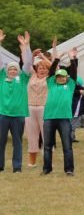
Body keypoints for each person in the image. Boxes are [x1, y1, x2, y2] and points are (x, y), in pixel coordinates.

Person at [42, 43, 79, 176]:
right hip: (49, 118)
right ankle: (47, 169)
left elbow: (74, 73)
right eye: (58, 76)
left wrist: (72, 58)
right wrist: (56, 59)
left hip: (64, 118)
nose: (61, 78)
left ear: (66, 78)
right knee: (47, 146)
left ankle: (69, 169)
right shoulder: (51, 83)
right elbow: (51, 71)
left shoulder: (70, 85)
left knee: (67, 146)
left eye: (63, 76)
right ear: (55, 78)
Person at [0, 30, 32, 173]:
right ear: (7, 70)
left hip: (18, 115)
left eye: (15, 69)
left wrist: (26, 47)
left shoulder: (23, 78)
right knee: (1, 142)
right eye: (10, 69)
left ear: (18, 71)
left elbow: (28, 63)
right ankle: (0, 166)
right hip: (3, 115)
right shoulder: (2, 78)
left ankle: (17, 167)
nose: (12, 70)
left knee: (17, 143)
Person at [26, 46, 51, 168]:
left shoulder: (50, 78)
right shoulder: (32, 76)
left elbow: (53, 67)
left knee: (46, 135)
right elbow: (27, 64)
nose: (42, 70)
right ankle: (32, 161)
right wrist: (32, 55)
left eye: (44, 68)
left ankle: (47, 160)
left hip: (44, 108)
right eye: (40, 68)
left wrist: (42, 57)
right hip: (30, 108)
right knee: (32, 135)